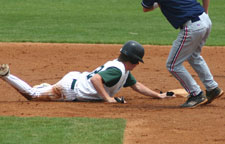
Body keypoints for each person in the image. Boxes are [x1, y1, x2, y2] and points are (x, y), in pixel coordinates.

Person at [0, 41, 173, 103]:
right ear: (133, 60)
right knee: (32, 96)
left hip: (75, 80)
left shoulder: (121, 68)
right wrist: (108, 99)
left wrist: (158, 96)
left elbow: (136, 86)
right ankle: (6, 75)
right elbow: (96, 79)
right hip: (69, 90)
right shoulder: (118, 70)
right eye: (137, 61)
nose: (137, 64)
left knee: (41, 91)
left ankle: (46, 87)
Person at [141, 0, 223, 108]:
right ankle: (212, 88)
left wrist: (160, 3)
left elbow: (146, 8)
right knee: (194, 56)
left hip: (193, 26)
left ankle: (196, 94)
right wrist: (206, 10)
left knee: (173, 65)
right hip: (205, 19)